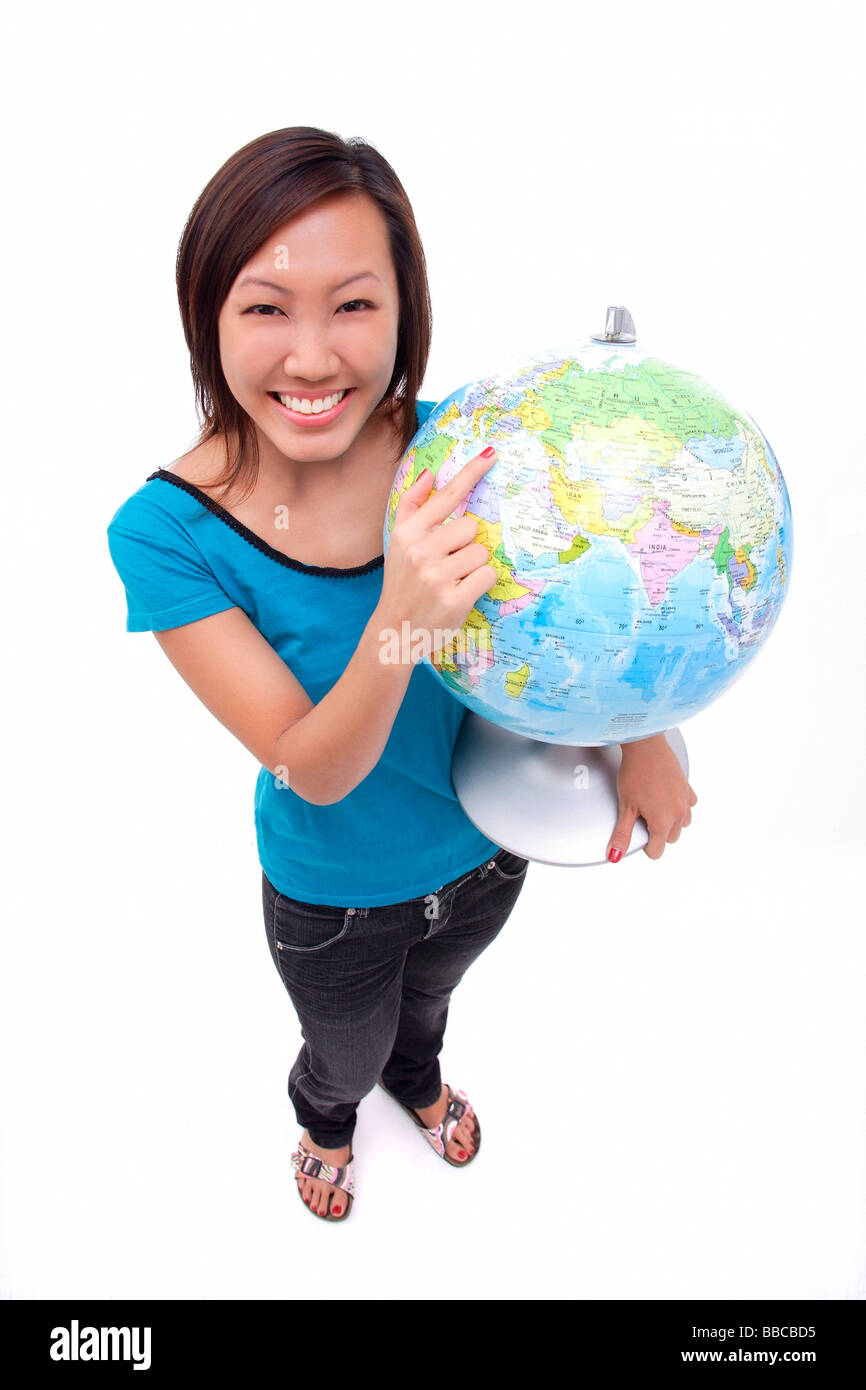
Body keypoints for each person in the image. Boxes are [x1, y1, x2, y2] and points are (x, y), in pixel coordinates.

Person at [106, 126, 697, 1224]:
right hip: (333, 893)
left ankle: (415, 1082)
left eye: (354, 304)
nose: (315, 357)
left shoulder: (471, 449)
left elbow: (595, 601)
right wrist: (397, 623)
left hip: (490, 850)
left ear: (403, 310)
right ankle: (328, 1115)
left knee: (426, 1007)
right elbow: (307, 769)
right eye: (266, 306)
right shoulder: (164, 531)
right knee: (344, 1040)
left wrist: (646, 734)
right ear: (207, 314)